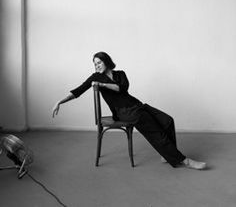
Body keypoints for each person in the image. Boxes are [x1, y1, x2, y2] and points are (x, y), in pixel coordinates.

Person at [52, 52, 206, 170]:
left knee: (167, 120)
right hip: (124, 112)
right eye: (95, 64)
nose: (97, 66)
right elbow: (78, 91)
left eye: (99, 62)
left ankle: (167, 154)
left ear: (106, 61)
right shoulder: (94, 77)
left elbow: (121, 88)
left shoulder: (120, 74)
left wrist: (102, 84)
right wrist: (60, 101)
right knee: (154, 130)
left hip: (137, 105)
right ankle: (183, 160)